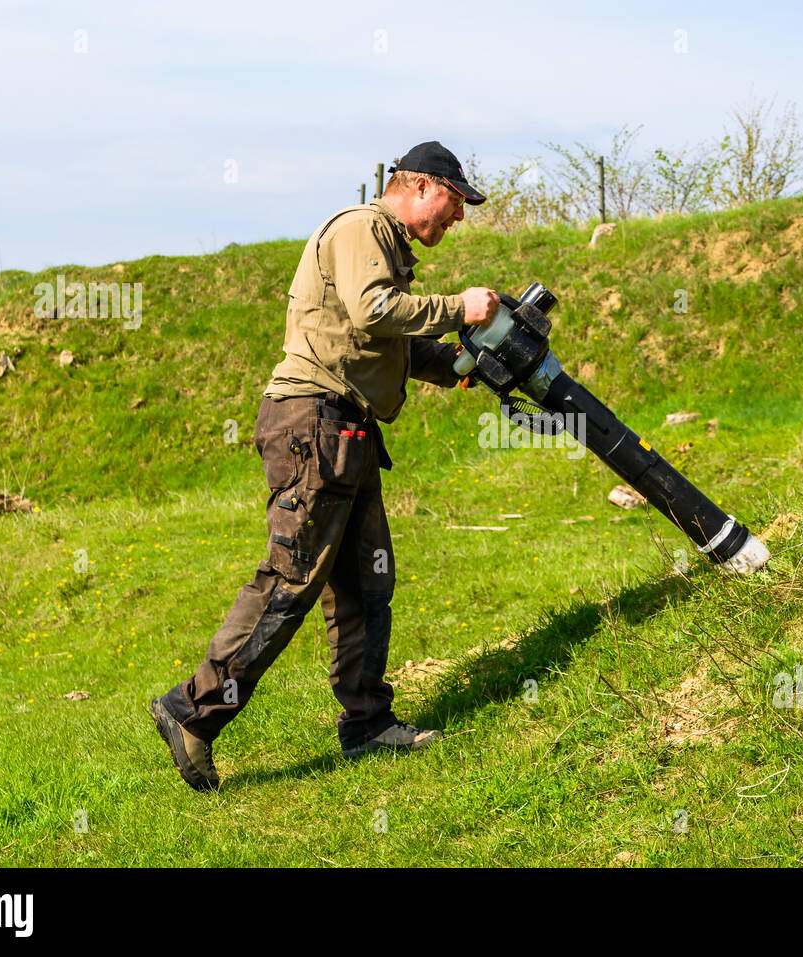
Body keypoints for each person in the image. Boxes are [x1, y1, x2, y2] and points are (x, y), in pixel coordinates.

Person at [150, 141, 499, 790]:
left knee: (368, 585)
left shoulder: (387, 245)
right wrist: (462, 307)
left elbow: (386, 341)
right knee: (290, 581)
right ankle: (191, 712)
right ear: (419, 186)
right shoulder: (363, 227)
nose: (458, 217)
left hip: (347, 430)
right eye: (455, 202)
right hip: (313, 426)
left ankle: (367, 724)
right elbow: (375, 309)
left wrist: (466, 363)